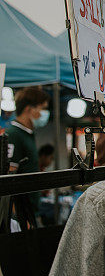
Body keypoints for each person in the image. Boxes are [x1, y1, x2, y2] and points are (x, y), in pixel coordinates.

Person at [7, 87, 50, 218]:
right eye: (43, 108)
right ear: (29, 109)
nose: (45, 113)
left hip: (30, 209)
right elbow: (8, 176)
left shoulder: (27, 134)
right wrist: (16, 215)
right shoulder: (14, 134)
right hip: (20, 213)